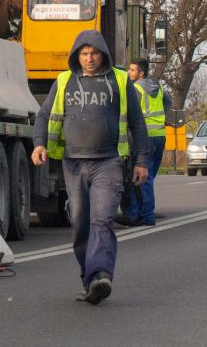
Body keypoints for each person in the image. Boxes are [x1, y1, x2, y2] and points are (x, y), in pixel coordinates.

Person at [31, 30, 149, 304]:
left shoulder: (120, 80)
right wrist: (39, 144)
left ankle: (101, 275)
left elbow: (137, 121)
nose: (89, 58)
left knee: (102, 219)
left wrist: (141, 160)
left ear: (103, 54)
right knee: (80, 223)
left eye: (94, 53)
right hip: (73, 163)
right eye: (84, 54)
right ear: (77, 55)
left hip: (109, 161)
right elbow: (44, 115)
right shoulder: (64, 81)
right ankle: (90, 279)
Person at [117, 57, 173, 227]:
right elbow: (168, 103)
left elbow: (127, 111)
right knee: (147, 178)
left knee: (142, 179)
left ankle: (144, 215)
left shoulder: (135, 88)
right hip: (159, 136)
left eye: (132, 70)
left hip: (144, 137)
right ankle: (140, 212)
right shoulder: (158, 86)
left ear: (141, 73)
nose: (129, 72)